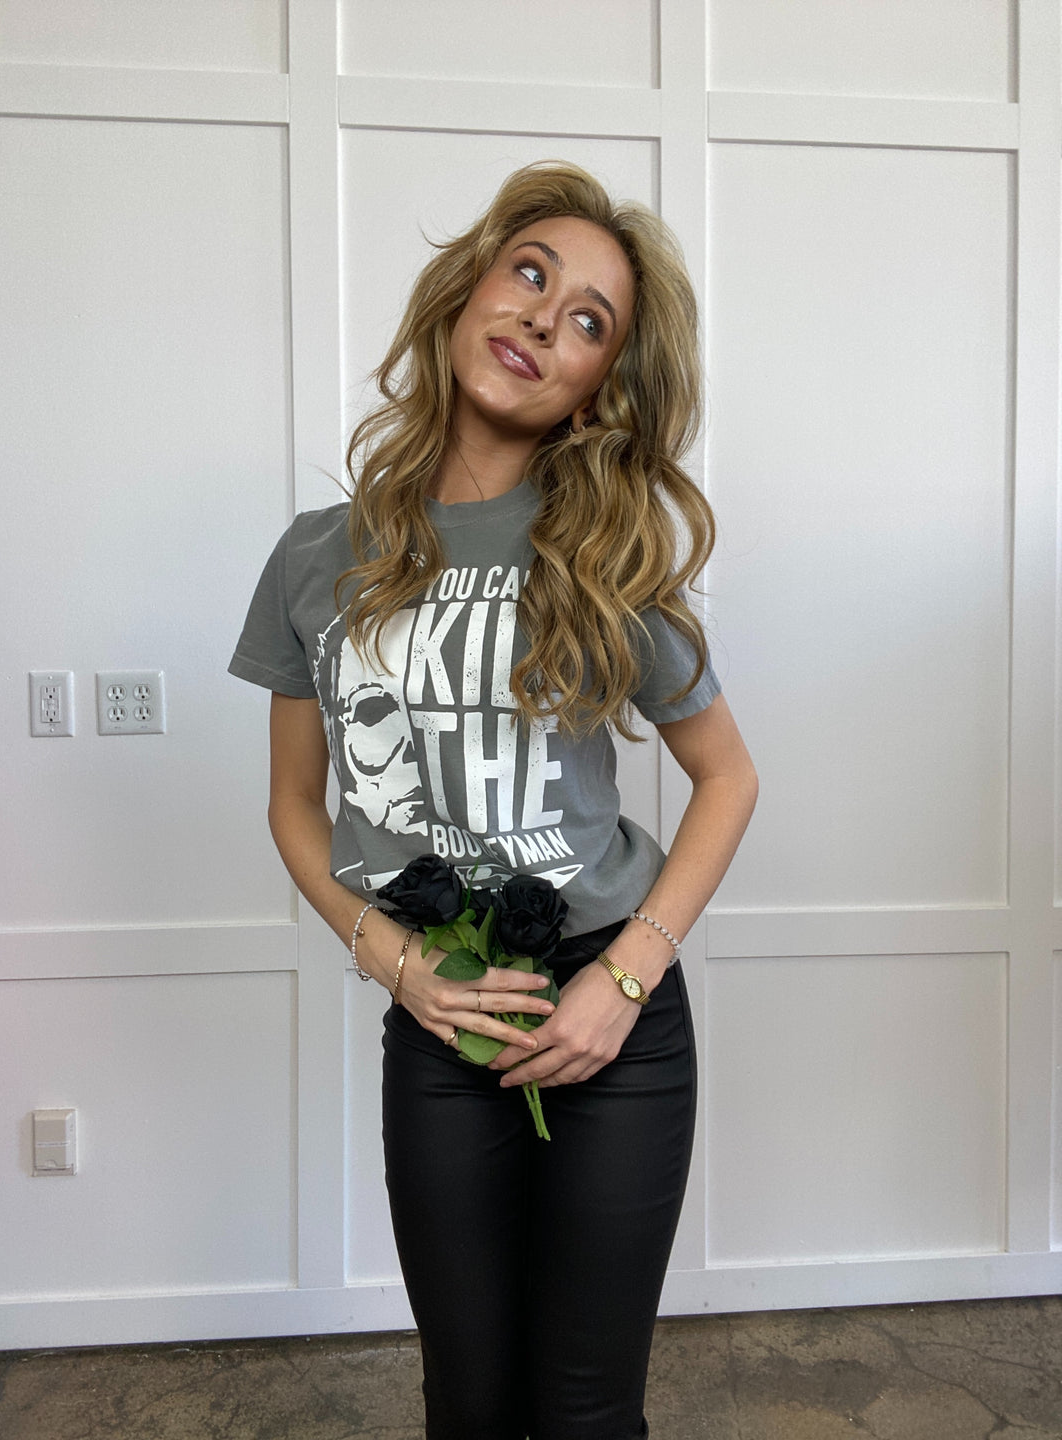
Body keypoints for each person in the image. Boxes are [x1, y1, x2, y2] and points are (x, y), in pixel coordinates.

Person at [229, 161, 758, 1440]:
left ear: (598, 387)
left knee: (585, 1414)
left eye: (589, 320)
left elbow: (727, 776)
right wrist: (395, 963)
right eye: (531, 273)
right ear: (470, 286)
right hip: (439, 1014)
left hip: (611, 1015)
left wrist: (624, 980)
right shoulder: (318, 554)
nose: (541, 318)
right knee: (466, 1405)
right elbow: (295, 805)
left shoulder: (608, 552)